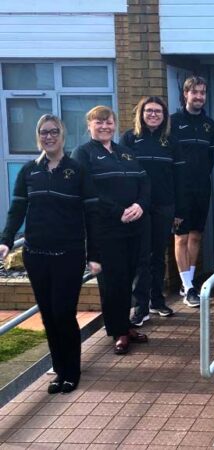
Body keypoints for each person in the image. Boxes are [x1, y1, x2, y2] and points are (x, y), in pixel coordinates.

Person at [0, 115, 101, 394]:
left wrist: (94, 254)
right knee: (47, 315)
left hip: (68, 255)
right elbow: (16, 211)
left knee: (63, 313)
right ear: (38, 136)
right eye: (44, 132)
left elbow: (92, 216)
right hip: (36, 255)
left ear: (62, 135)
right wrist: (6, 240)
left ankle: (72, 371)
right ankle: (59, 370)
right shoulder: (29, 172)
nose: (49, 136)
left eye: (54, 131)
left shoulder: (77, 171)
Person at [72, 106, 150, 356]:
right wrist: (118, 211)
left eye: (109, 122)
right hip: (106, 229)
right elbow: (88, 191)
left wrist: (140, 205)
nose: (104, 126)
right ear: (89, 126)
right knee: (112, 282)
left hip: (134, 226)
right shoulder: (82, 153)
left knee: (128, 277)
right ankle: (117, 331)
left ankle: (126, 326)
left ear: (115, 124)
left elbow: (144, 182)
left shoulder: (125, 152)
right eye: (99, 122)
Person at [123, 96, 184, 325]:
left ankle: (157, 301)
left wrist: (179, 210)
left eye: (158, 111)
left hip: (164, 205)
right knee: (141, 257)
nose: (153, 114)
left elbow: (179, 179)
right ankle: (140, 307)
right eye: (149, 111)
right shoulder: (129, 139)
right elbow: (123, 175)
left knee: (158, 255)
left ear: (164, 115)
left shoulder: (171, 142)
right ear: (141, 113)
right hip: (138, 207)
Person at [170, 76, 214, 307]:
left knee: (196, 236)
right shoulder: (172, 122)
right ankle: (189, 287)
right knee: (181, 236)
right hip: (179, 189)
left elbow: (211, 158)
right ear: (185, 94)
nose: (199, 96)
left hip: (202, 188)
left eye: (202, 92)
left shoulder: (210, 125)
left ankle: (186, 282)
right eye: (194, 92)